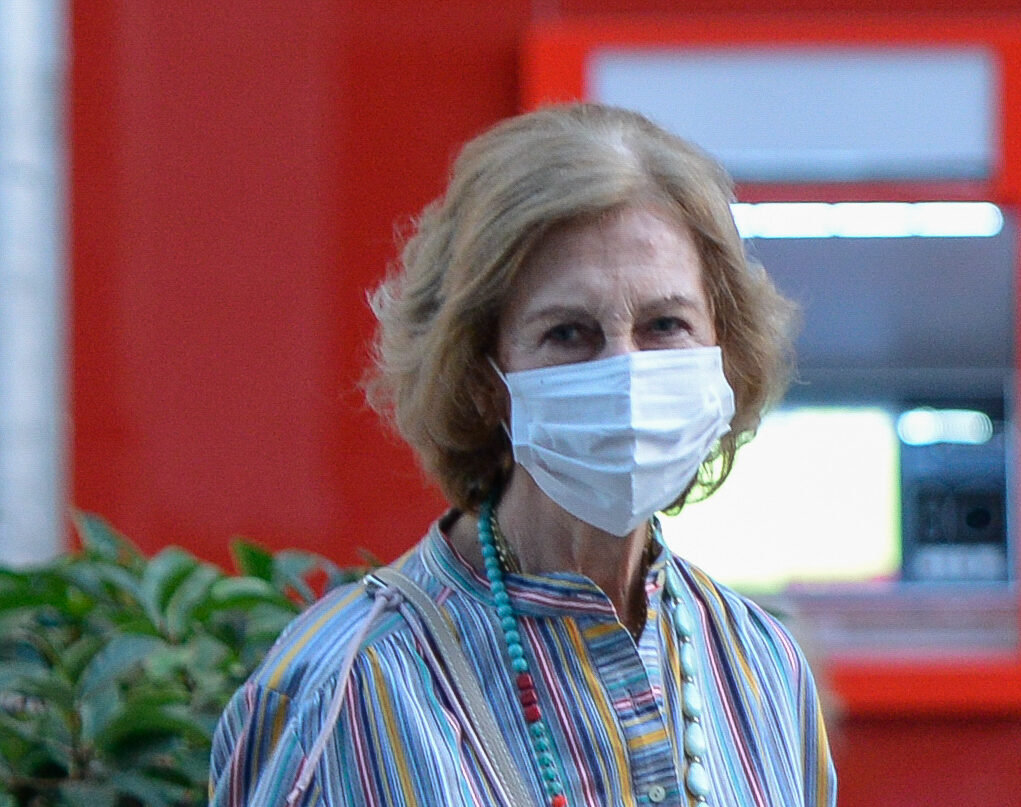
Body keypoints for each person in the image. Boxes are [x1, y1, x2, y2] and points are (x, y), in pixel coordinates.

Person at [209, 103, 837, 807]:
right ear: (483, 377)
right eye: (569, 332)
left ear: (724, 348)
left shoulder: (761, 665)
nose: (625, 371)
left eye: (665, 324)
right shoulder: (346, 689)